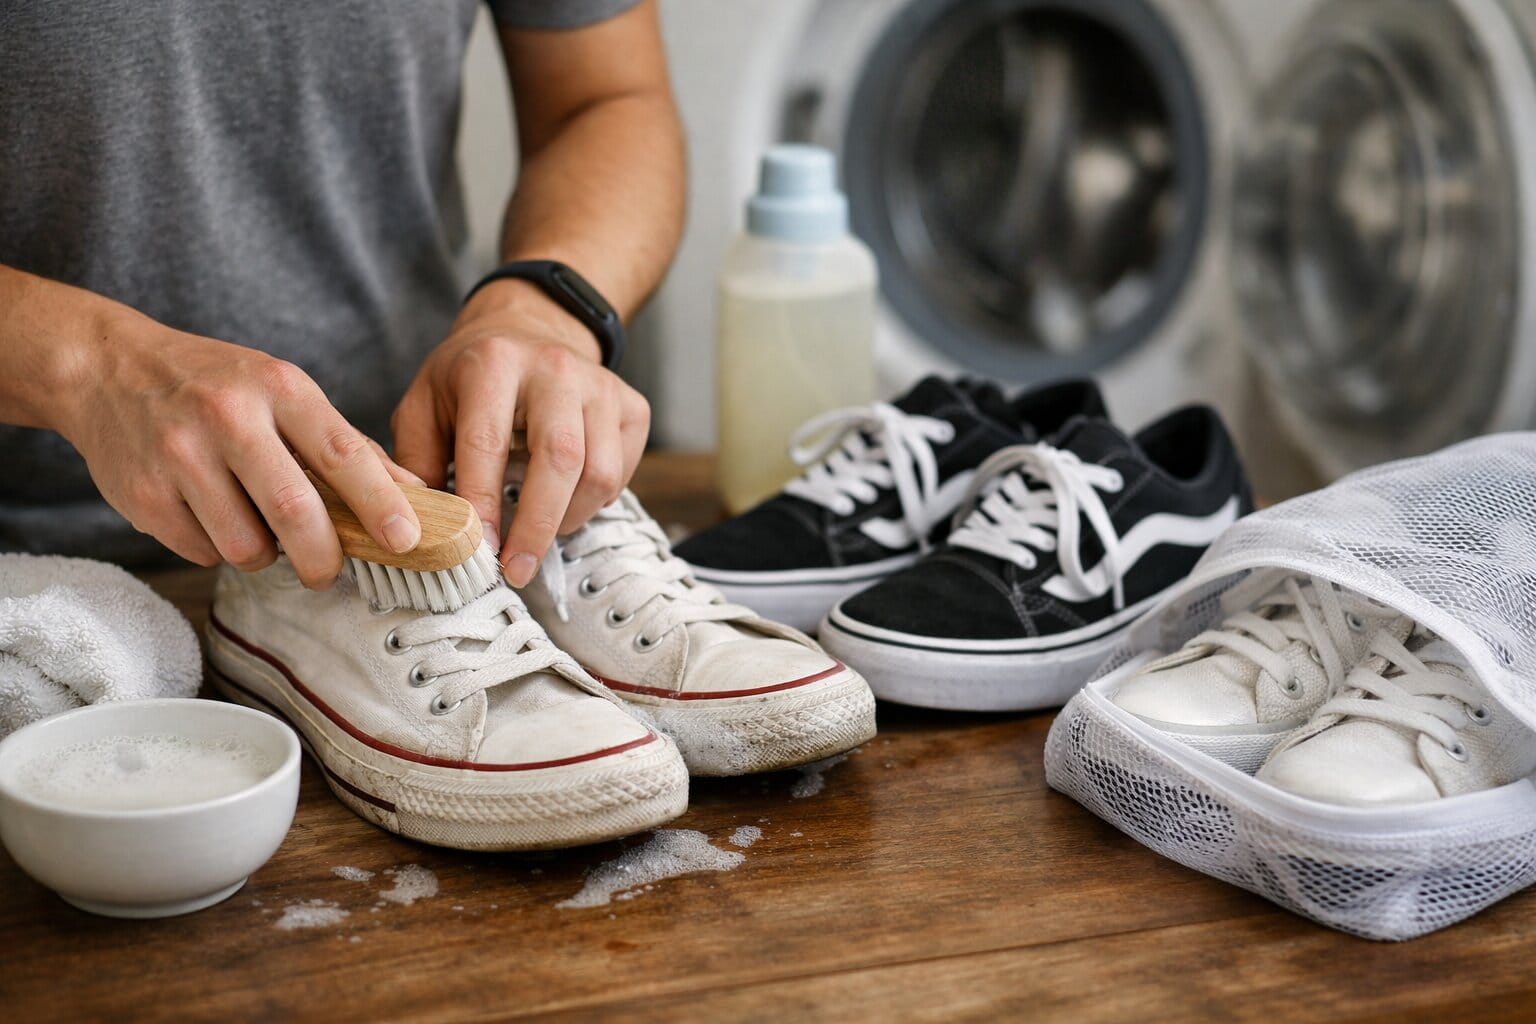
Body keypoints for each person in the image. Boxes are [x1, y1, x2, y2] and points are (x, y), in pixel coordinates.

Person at [0, 0, 683, 590]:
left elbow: (604, 98)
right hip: (31, 547)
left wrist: (542, 308)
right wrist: (88, 367)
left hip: (421, 506)